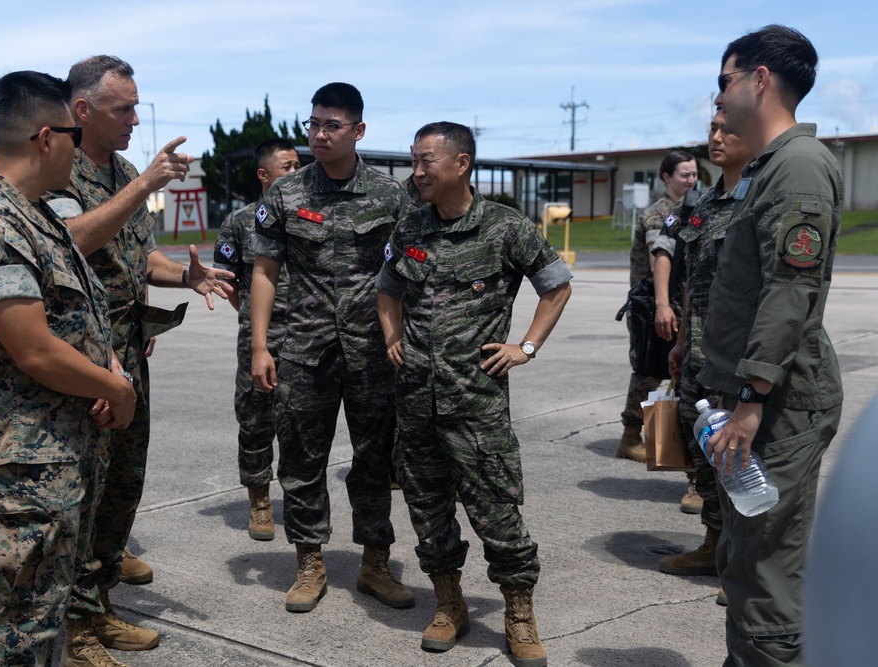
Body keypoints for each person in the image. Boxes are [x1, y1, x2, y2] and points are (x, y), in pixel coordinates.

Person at [0, 70, 136, 667]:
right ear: (47, 138)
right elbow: (34, 348)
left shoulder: (37, 215)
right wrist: (116, 390)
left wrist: (106, 359)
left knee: (47, 609)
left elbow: (71, 311)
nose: (80, 149)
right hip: (25, 458)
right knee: (23, 621)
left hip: (62, 445)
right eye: (75, 135)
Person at [49, 55, 234, 665]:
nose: (134, 117)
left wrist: (187, 276)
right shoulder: (59, 172)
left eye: (135, 104)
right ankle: (74, 631)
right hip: (83, 355)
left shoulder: (123, 169)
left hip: (129, 349)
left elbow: (137, 256)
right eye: (122, 108)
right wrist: (144, 187)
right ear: (82, 111)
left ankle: (98, 609)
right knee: (83, 491)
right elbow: (74, 242)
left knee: (123, 485)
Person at [377, 122, 572, 666]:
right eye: (413, 162)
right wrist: (392, 335)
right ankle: (449, 603)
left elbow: (556, 285)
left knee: (498, 516)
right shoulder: (409, 228)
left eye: (425, 163)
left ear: (461, 164)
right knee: (428, 514)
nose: (416, 173)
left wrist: (526, 347)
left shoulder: (506, 229)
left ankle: (518, 613)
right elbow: (386, 289)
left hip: (477, 407)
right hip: (416, 405)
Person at [700, 25, 843, 666]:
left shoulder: (799, 169)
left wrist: (754, 397)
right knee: (750, 555)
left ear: (760, 79)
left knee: (763, 574)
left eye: (725, 81)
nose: (718, 98)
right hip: (759, 400)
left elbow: (791, 291)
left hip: (779, 405)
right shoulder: (769, 169)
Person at [249, 82, 414, 613]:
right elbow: (265, 272)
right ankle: (309, 562)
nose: (319, 134)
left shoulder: (391, 196)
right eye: (313, 123)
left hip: (374, 352)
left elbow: (410, 270)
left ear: (358, 131)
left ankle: (375, 563)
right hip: (304, 348)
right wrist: (259, 346)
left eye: (331, 125)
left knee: (375, 460)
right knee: (301, 459)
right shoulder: (286, 194)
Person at [651, 110, 754, 585]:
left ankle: (744, 564)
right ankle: (714, 544)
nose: (715, 138)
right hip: (697, 352)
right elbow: (688, 269)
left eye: (725, 130)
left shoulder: (760, 198)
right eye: (712, 130)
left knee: (741, 458)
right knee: (704, 451)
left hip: (739, 358)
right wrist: (681, 340)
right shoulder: (701, 203)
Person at [213, 138, 300, 540]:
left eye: (299, 165)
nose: (296, 172)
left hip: (306, 336)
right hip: (259, 339)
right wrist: (254, 321)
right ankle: (260, 500)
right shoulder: (239, 222)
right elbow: (227, 281)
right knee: (255, 420)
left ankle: (300, 500)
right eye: (287, 167)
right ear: (264, 175)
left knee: (302, 424)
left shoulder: (310, 219)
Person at [618, 151, 698, 465]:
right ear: (666, 177)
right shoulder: (659, 214)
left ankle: (666, 436)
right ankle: (630, 436)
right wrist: (665, 305)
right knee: (649, 371)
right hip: (654, 306)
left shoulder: (693, 209)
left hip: (680, 304)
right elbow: (658, 260)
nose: (691, 180)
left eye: (694, 174)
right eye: (684, 175)